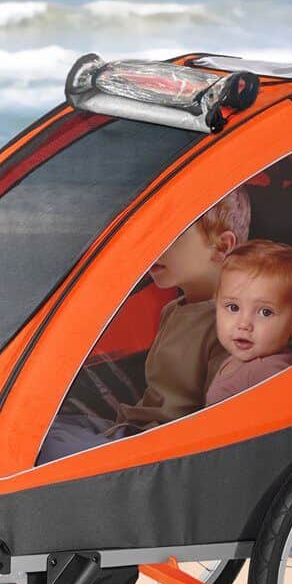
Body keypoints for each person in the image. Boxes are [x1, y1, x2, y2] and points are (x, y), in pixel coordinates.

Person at [35, 188, 249, 463]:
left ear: (222, 247)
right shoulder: (174, 310)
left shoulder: (232, 328)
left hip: (160, 448)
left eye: (171, 233)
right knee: (36, 432)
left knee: (49, 451)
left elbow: (217, 428)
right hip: (133, 427)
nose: (153, 245)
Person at [204, 239, 292, 406]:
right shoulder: (238, 360)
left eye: (265, 312)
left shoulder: (267, 372)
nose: (244, 324)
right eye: (233, 307)